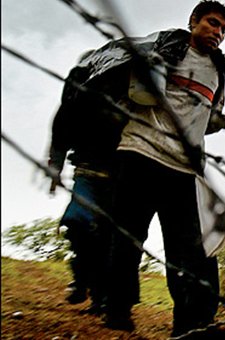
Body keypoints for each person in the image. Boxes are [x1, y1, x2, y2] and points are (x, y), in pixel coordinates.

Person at [62, 1, 225, 336]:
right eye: (212, 23)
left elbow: (206, 123)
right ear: (194, 21)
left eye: (223, 29)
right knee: (128, 238)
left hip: (184, 169)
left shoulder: (218, 73)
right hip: (139, 153)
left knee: (191, 248)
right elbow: (134, 93)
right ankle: (117, 307)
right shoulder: (162, 50)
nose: (217, 33)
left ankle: (192, 324)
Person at [47, 49, 125, 316]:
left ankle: (99, 298)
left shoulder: (127, 96)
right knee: (77, 223)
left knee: (106, 237)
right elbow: (60, 130)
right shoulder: (76, 98)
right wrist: (55, 168)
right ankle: (81, 280)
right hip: (87, 172)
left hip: (118, 177)